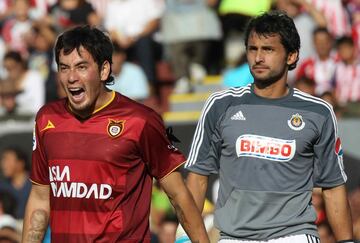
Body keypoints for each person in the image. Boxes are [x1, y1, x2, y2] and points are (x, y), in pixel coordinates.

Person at [21, 25, 209, 243]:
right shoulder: (46, 119)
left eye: (81, 67)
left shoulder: (140, 121)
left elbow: (178, 196)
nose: (71, 77)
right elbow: (40, 198)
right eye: (64, 68)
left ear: (104, 70)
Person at [181, 11, 355, 242]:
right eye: (253, 49)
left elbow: (333, 187)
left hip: (294, 236)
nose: (258, 58)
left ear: (291, 56)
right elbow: (198, 177)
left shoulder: (318, 112)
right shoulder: (220, 105)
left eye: (268, 49)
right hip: (234, 237)